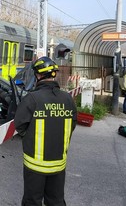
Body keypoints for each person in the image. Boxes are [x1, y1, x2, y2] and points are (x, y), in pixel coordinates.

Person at [14, 57, 77, 206]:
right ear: (53, 74)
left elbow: (20, 125)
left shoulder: (32, 99)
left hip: (35, 166)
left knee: (32, 201)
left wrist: (30, 138)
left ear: (38, 75)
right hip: (58, 164)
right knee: (56, 201)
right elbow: (72, 124)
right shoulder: (68, 99)